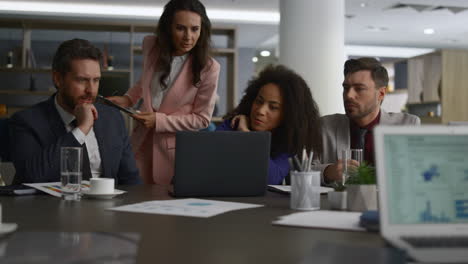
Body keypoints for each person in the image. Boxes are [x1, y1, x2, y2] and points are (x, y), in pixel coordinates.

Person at [107, 0, 220, 185]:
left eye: (194, 29)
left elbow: (201, 119)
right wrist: (128, 99)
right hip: (140, 141)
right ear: (168, 27)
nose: (188, 37)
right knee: (131, 198)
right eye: (181, 28)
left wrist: (158, 120)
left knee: (163, 206)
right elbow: (145, 79)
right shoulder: (151, 45)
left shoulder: (210, 68)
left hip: (174, 152)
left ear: (202, 30)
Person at [9, 39, 140, 185]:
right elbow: (30, 176)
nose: (91, 90)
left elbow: (131, 180)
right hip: (51, 207)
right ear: (58, 79)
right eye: (82, 80)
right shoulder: (26, 121)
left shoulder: (112, 118)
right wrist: (81, 130)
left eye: (96, 80)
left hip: (107, 206)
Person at [314, 57, 420, 184]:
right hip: (339, 203)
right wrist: (327, 172)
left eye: (359, 88)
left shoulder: (406, 126)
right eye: (346, 88)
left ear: (381, 94)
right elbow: (300, 169)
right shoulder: (325, 126)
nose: (349, 95)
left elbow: (417, 174)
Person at [217, 65, 323, 185]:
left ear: (288, 115)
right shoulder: (233, 124)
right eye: (259, 101)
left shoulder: (288, 143)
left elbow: (270, 178)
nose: (260, 111)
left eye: (273, 107)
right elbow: (207, 158)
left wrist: (246, 135)